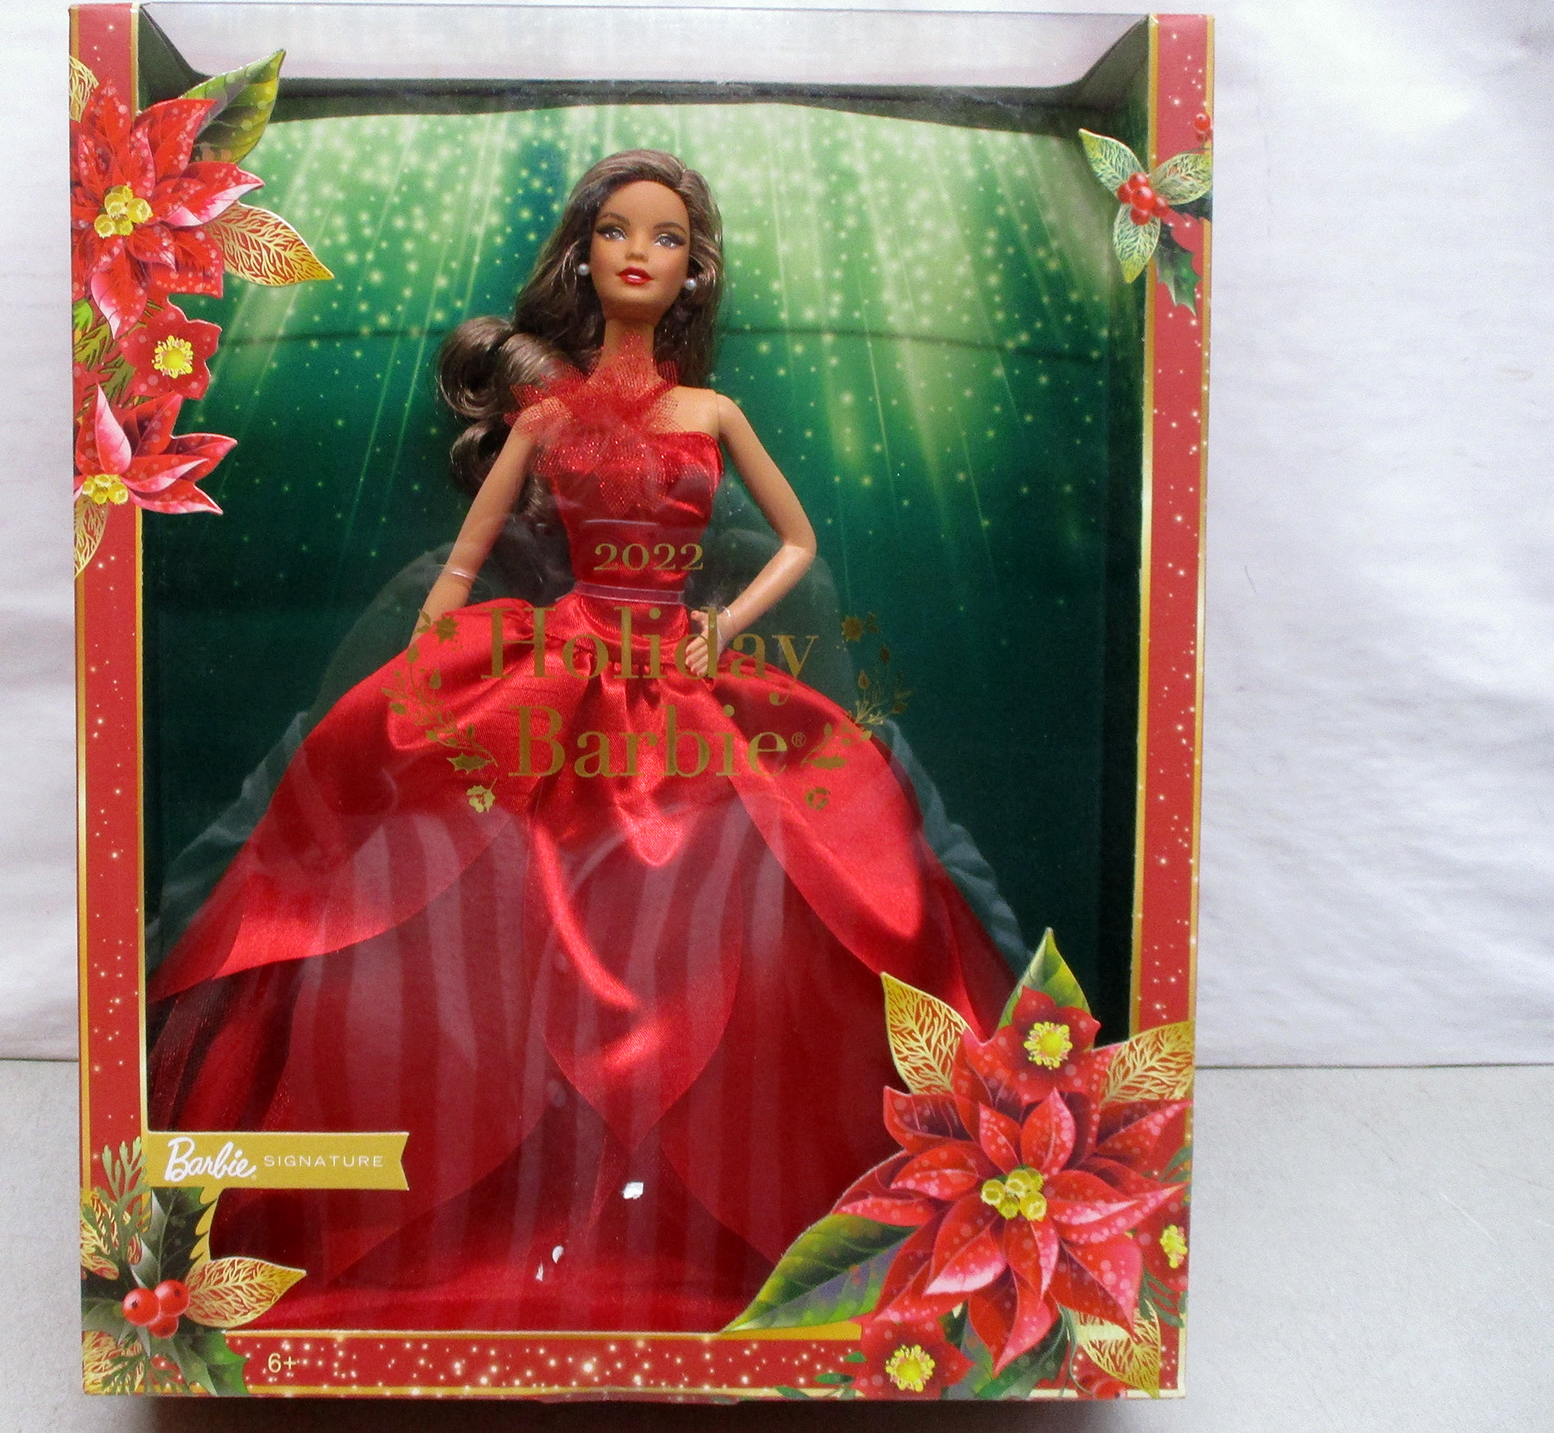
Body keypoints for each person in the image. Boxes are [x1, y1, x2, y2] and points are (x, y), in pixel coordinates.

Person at [147, 149, 1017, 1332]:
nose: (638, 253)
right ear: (584, 255)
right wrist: (422, 668)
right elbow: (465, 558)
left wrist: (725, 627)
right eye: (617, 231)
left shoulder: (714, 414)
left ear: (693, 268)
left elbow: (799, 543)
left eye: (665, 237)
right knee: (484, 868)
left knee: (798, 858)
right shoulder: (549, 416)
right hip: (560, 658)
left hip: (679, 665)